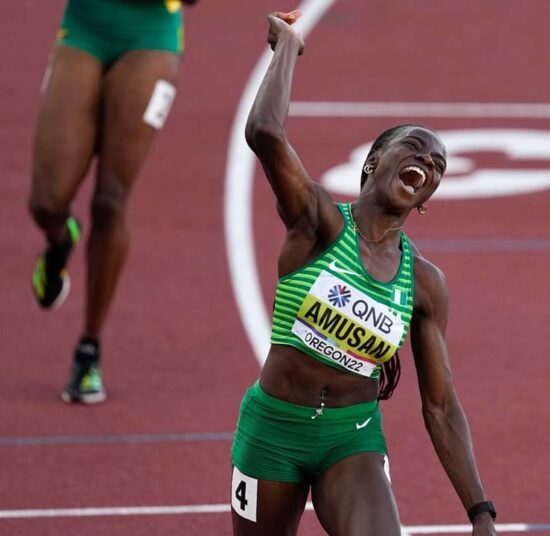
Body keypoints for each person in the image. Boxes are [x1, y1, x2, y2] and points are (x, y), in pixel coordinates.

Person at [229, 11, 497, 536]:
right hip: (272, 430)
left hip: (350, 439)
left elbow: (440, 407)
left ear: (427, 197)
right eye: (414, 148)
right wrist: (287, 45)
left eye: (438, 165)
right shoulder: (320, 223)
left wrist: (480, 513)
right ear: (374, 161)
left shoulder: (423, 284)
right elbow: (264, 131)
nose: (429, 162)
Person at [28, 0, 198, 404]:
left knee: (110, 200)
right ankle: (59, 241)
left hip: (151, 34)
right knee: (47, 201)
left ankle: (89, 350)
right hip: (86, 24)